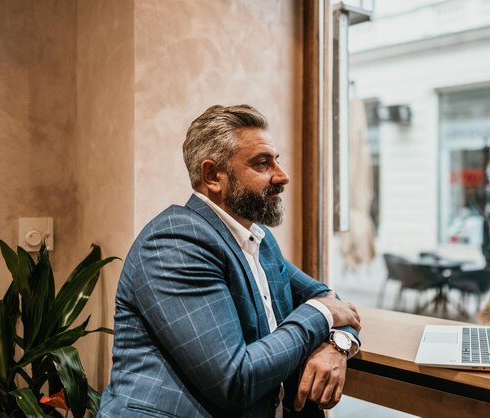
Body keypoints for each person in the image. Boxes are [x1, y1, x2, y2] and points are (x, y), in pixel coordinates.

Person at [97, 104, 361, 418]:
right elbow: (235, 380)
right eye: (263, 163)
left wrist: (338, 344)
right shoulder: (175, 243)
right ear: (213, 176)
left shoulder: (257, 239)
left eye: (276, 160)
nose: (283, 175)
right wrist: (319, 316)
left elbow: (329, 299)